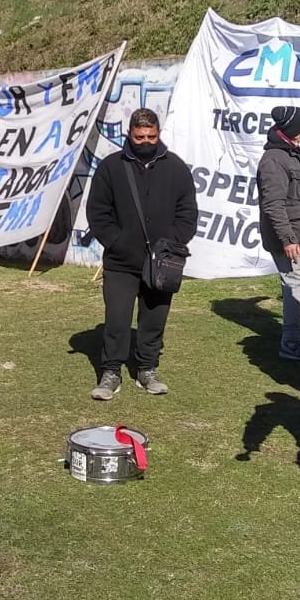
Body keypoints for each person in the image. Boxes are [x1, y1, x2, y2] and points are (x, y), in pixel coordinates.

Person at [86, 108, 198, 400]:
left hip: (163, 262)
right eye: (140, 137)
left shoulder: (176, 168)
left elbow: (188, 212)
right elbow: (97, 211)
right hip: (121, 262)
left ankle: (147, 368)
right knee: (116, 319)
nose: (146, 141)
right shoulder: (111, 167)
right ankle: (111, 371)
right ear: (130, 134)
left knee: (154, 319)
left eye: (151, 136)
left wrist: (172, 242)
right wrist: (117, 241)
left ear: (158, 134)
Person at [257, 105, 300, 362]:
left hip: (298, 233)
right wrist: (288, 238)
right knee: (298, 287)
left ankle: (297, 336)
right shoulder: (274, 160)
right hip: (291, 238)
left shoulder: (293, 153)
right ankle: (291, 344)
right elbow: (273, 204)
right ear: (295, 131)